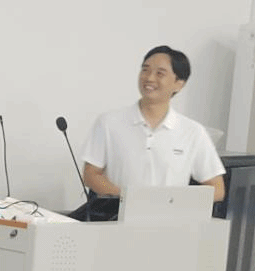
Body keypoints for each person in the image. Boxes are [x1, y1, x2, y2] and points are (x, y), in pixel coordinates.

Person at [82, 45, 225, 206]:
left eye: (160, 73)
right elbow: (90, 175)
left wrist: (174, 203)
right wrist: (126, 198)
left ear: (179, 83)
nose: (149, 78)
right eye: (145, 70)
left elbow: (217, 189)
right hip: (119, 216)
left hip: (170, 218)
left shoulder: (193, 132)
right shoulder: (109, 122)